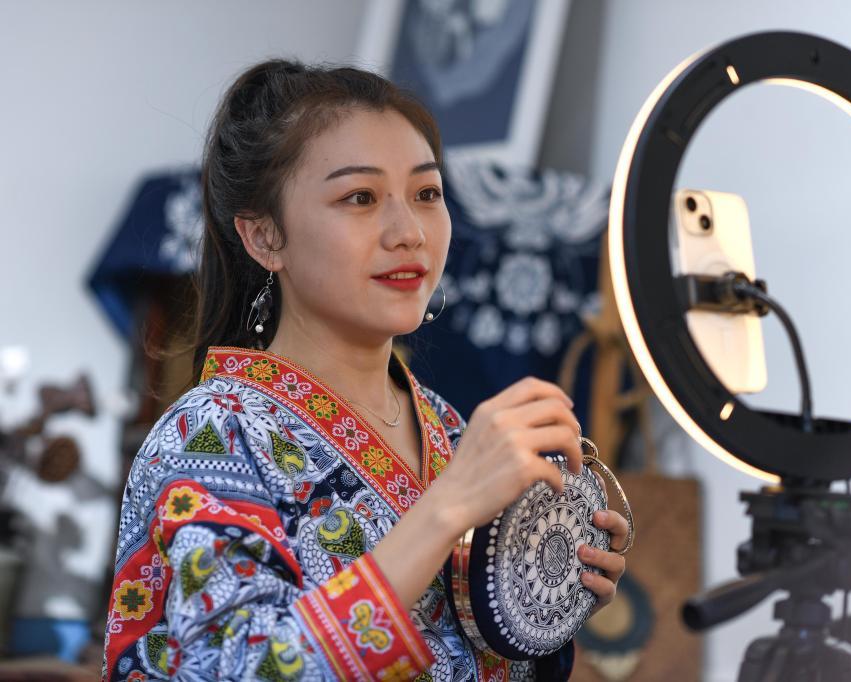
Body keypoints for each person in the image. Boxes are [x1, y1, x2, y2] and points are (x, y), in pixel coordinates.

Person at [102, 59, 629, 681]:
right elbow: (238, 669)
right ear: (265, 238)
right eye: (360, 197)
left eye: (427, 194)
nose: (409, 232)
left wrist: (547, 597)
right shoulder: (211, 433)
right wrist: (446, 509)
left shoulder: (448, 429)